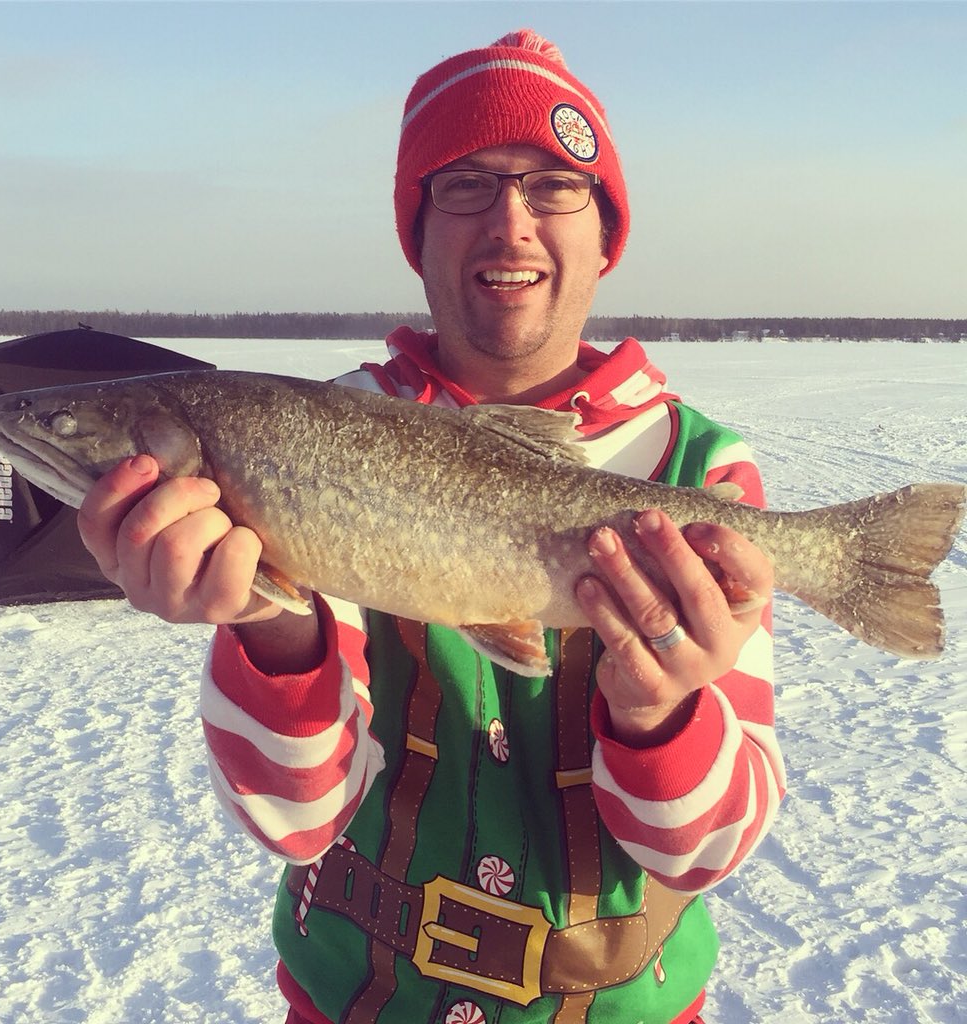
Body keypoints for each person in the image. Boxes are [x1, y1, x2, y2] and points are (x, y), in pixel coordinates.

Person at [78, 30, 783, 1024]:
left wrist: (659, 709)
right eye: (466, 185)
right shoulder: (308, 444)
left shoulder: (699, 474)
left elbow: (709, 850)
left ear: (604, 225)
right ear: (418, 227)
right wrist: (275, 628)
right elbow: (295, 819)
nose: (510, 220)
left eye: (553, 184)